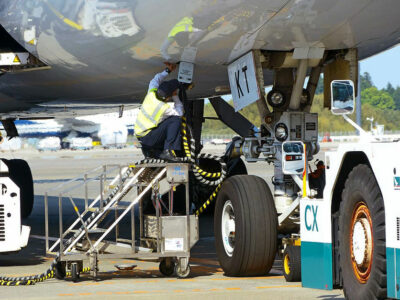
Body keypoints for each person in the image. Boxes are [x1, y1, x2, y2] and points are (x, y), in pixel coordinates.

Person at [134, 63, 184, 162]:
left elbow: (156, 79)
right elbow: (180, 113)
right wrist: (176, 96)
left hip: (142, 135)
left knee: (165, 123)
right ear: (168, 97)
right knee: (175, 120)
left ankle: (151, 151)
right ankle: (167, 150)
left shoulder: (151, 93)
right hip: (148, 138)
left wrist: (167, 70)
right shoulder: (163, 107)